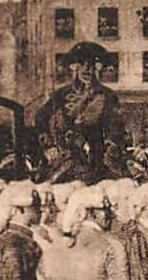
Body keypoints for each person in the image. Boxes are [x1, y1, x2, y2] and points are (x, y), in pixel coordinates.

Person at [34, 41, 125, 183]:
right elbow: (41, 117)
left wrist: (111, 144)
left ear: (97, 68)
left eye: (92, 65)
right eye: (82, 64)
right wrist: (49, 147)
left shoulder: (108, 95)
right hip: (66, 158)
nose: (87, 69)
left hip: (97, 159)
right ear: (75, 67)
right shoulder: (61, 95)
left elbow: (116, 125)